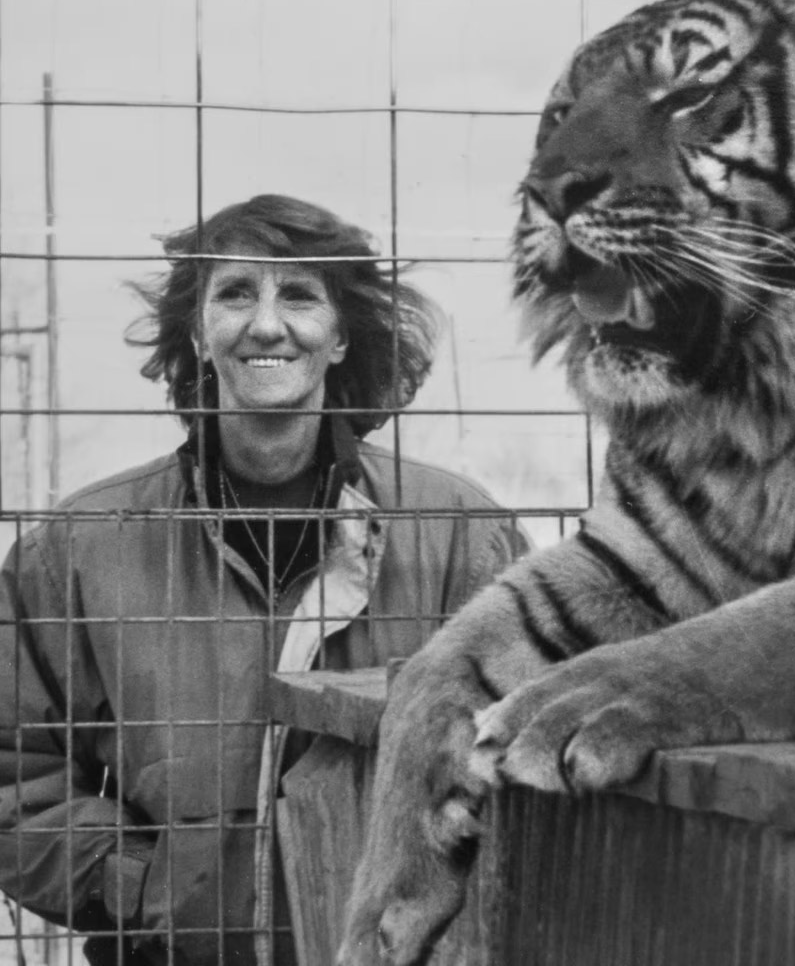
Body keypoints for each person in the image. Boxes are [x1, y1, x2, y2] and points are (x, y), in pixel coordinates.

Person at [0, 195, 529, 965]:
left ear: (341, 336)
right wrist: (144, 886)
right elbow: (16, 765)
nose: (268, 324)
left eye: (300, 295)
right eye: (237, 292)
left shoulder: (459, 531)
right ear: (197, 331)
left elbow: (520, 754)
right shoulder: (81, 544)